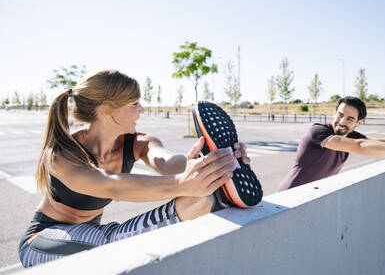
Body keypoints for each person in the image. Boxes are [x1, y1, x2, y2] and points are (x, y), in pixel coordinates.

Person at [18, 70, 250, 267]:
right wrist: (183, 182)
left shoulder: (138, 142)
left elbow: (167, 163)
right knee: (116, 241)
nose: (143, 110)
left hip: (90, 237)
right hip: (43, 240)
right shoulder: (62, 154)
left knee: (193, 199)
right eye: (134, 103)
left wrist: (206, 160)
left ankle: (218, 194)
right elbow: (111, 186)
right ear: (106, 109)